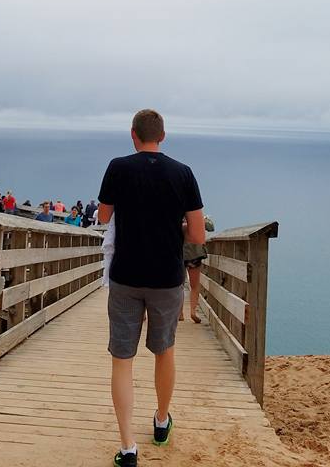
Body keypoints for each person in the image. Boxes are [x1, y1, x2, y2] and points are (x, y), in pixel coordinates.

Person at [98, 109, 205, 466]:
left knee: (122, 361)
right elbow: (197, 234)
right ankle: (161, 422)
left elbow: (102, 216)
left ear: (133, 135)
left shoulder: (118, 167)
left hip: (126, 276)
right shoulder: (183, 173)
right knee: (165, 351)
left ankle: (128, 448)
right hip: (167, 277)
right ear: (163, 135)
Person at [181, 215, 215, 323]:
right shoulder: (198, 218)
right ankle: (193, 311)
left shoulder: (176, 216)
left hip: (180, 255)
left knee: (179, 286)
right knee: (194, 285)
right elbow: (211, 227)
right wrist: (202, 220)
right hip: (195, 255)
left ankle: (179, 313)